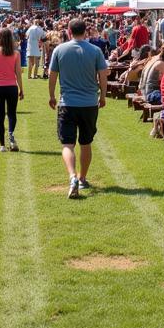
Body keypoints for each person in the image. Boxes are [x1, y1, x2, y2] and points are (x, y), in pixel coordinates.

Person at [48, 18, 108, 199]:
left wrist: (51, 96)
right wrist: (103, 96)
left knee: (67, 144)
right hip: (89, 103)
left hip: (67, 103)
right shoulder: (95, 51)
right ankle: (82, 178)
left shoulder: (59, 49)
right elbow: (103, 76)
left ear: (68, 31)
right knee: (86, 142)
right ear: (86, 31)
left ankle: (72, 176)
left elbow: (52, 75)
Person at [0, 27, 24, 153]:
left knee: (0, 115)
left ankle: (2, 144)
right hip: (11, 86)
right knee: (12, 114)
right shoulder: (16, 53)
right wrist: (21, 89)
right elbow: (18, 73)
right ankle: (11, 135)